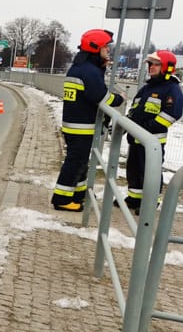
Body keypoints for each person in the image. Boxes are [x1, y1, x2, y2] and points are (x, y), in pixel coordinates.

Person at [51, 29, 125, 212]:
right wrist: (120, 98)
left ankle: (77, 194)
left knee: (80, 163)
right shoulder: (89, 71)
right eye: (105, 47)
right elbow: (102, 97)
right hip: (81, 127)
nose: (108, 50)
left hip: (75, 125)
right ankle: (61, 199)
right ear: (95, 48)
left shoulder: (80, 67)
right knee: (75, 163)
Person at [121, 50, 183, 214]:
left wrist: (148, 127)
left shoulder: (172, 89)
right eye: (150, 64)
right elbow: (135, 108)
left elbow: (172, 114)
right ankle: (134, 197)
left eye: (156, 64)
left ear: (167, 67)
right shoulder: (147, 87)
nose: (151, 67)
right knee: (134, 169)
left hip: (153, 141)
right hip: (136, 137)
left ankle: (150, 202)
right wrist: (128, 122)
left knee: (150, 171)